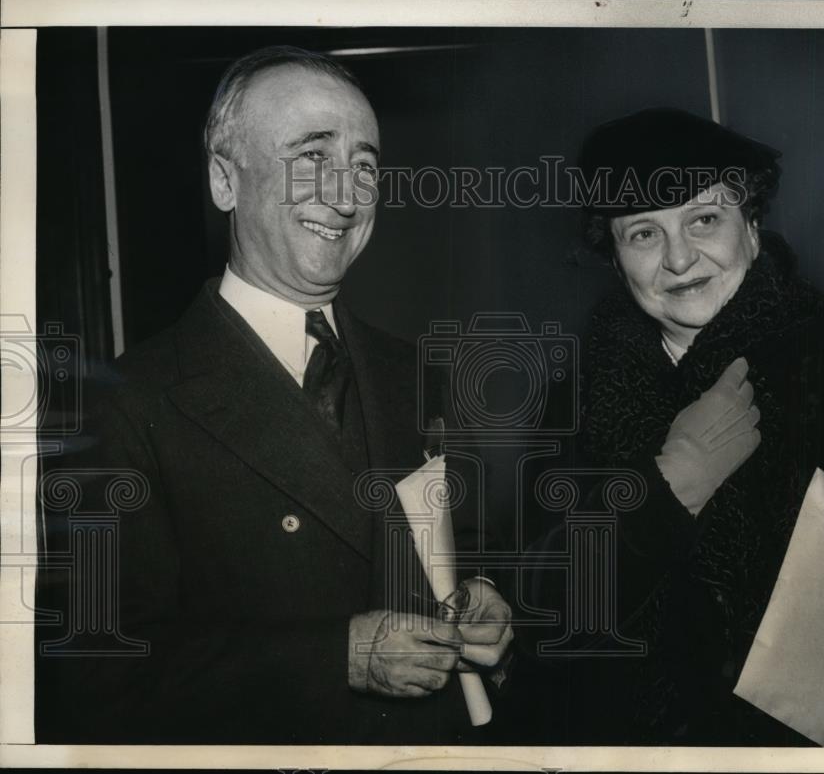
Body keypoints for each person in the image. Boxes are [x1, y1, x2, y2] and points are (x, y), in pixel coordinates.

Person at [35, 45, 512, 745]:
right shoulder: (125, 404)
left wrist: (489, 605)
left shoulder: (416, 371)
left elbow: (462, 554)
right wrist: (333, 659)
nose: (347, 195)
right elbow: (94, 674)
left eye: (365, 164)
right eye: (312, 155)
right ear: (225, 180)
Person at [516, 107, 824, 745]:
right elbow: (540, 607)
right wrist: (667, 488)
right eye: (643, 233)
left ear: (751, 226)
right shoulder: (578, 399)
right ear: (614, 258)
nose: (678, 258)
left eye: (703, 219)